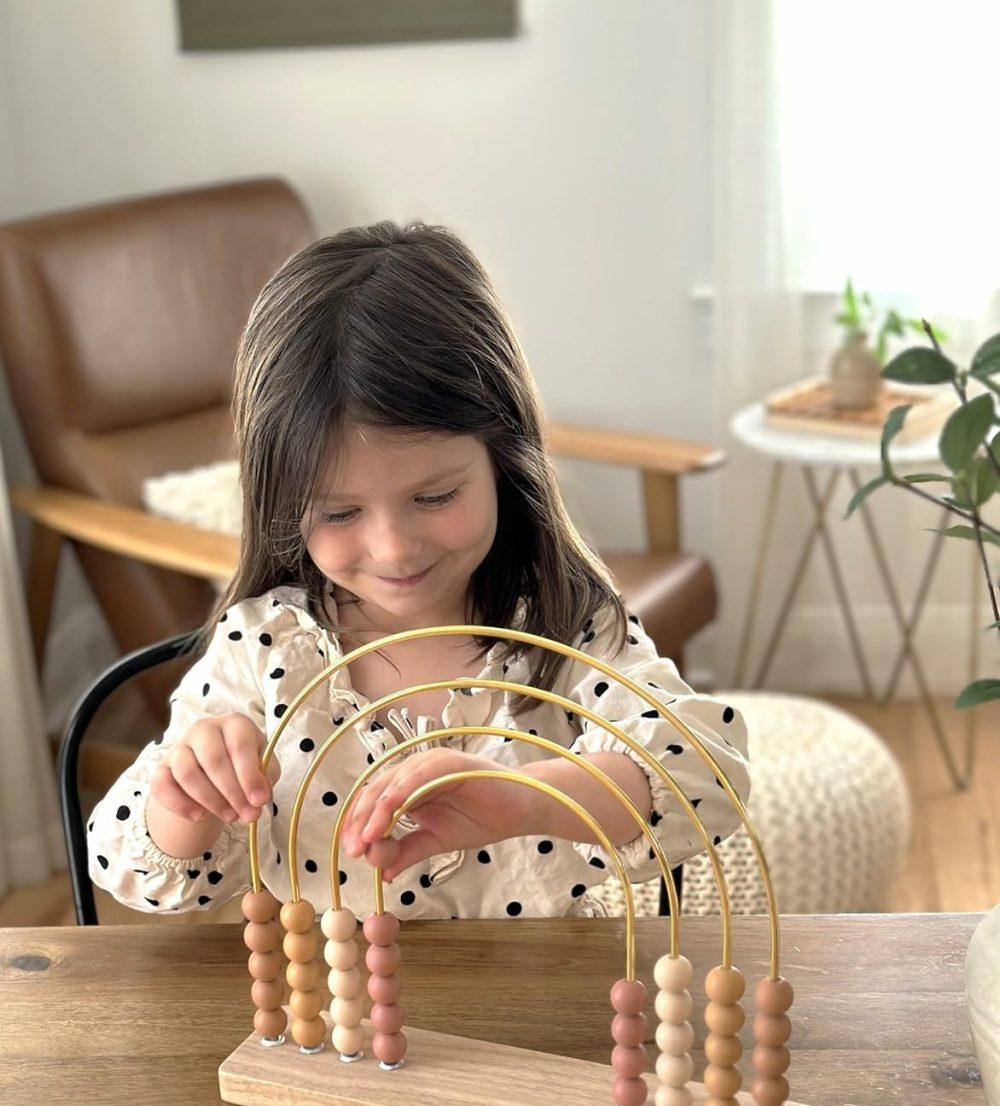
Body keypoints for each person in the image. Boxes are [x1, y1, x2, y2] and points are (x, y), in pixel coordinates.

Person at [88, 222, 750, 921]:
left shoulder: (566, 632)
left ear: (505, 458)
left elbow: (706, 772)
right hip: (336, 1021)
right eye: (339, 514)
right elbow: (139, 868)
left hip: (536, 1015)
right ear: (283, 507)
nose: (395, 549)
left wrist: (528, 798)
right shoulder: (266, 652)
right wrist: (186, 798)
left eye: (434, 498)